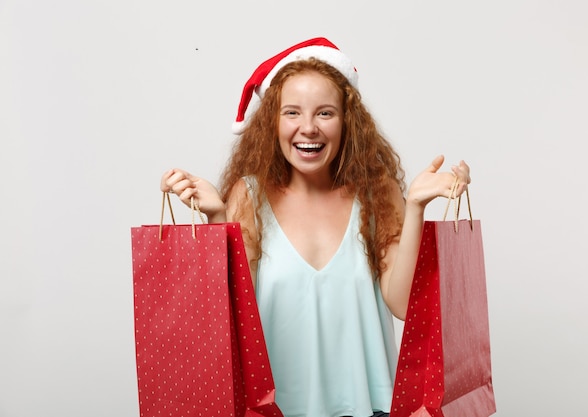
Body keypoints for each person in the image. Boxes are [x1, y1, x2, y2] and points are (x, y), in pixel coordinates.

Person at [161, 37, 470, 417]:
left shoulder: (377, 193)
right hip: (274, 410)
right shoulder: (249, 197)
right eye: (292, 113)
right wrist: (216, 221)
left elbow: (404, 305)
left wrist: (416, 207)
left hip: (372, 406)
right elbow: (232, 322)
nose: (308, 128)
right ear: (273, 123)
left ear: (347, 122)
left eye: (325, 113)